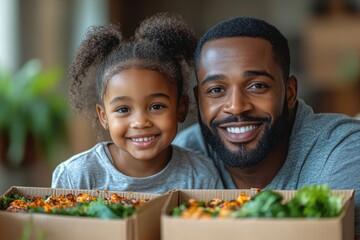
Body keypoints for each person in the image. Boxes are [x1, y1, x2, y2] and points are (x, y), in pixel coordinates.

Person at [172, 16, 360, 237]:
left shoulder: (343, 153)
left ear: (289, 93)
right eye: (216, 90)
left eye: (257, 86)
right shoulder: (181, 157)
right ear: (198, 99)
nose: (236, 107)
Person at [51, 12, 224, 193]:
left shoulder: (201, 175)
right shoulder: (76, 177)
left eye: (156, 106)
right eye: (124, 109)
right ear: (103, 116)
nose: (140, 122)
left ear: (181, 108)